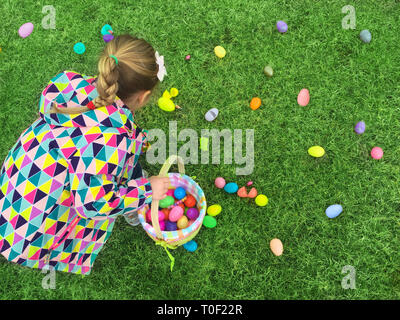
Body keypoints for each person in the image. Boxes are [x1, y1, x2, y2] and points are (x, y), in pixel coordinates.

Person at [0, 34, 169, 275]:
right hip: (31, 222)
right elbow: (94, 204)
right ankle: (134, 204)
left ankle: (131, 194)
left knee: (108, 169)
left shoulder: (77, 87)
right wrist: (147, 190)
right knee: (98, 200)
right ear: (143, 97)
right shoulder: (112, 142)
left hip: (22, 183)